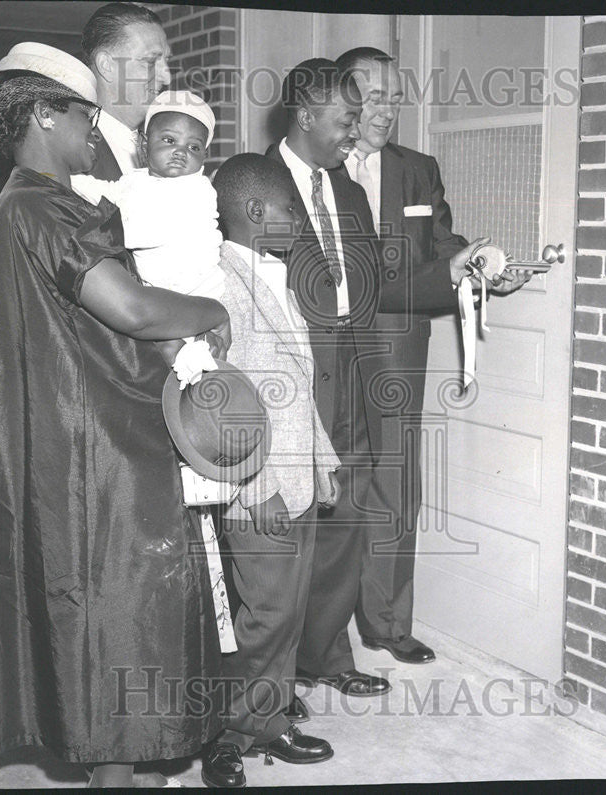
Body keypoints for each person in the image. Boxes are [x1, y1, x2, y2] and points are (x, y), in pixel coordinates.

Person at [0, 43, 230, 789]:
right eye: (86, 118)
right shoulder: (39, 204)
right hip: (93, 447)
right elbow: (130, 308)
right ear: (45, 113)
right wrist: (211, 307)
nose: (96, 134)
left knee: (115, 622)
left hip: (91, 428)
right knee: (117, 618)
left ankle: (124, 771)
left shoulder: (29, 201)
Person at [264, 59, 481, 713]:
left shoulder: (382, 182)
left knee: (365, 508)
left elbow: (406, 268)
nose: (372, 119)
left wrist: (462, 271)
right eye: (360, 106)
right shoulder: (269, 177)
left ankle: (354, 639)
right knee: (292, 518)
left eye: (386, 104)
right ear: (321, 108)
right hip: (305, 372)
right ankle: (276, 669)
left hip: (375, 365)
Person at [333, 47, 533, 666]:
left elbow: (441, 247)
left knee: (394, 479)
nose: (386, 108)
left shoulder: (418, 168)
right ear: (341, 98)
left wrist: (482, 271)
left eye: (395, 96)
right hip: (328, 344)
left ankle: (389, 624)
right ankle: (319, 638)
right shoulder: (310, 162)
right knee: (328, 481)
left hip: (397, 340)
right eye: (372, 95)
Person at [202, 153, 341, 787]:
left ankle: (270, 715)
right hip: (258, 486)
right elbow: (219, 395)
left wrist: (323, 459)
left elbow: (297, 384)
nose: (299, 218)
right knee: (261, 614)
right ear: (256, 211)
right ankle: (227, 736)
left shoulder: (273, 275)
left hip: (298, 477)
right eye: (291, 207)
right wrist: (255, 485)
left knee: (285, 609)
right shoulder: (220, 282)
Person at [72, 89, 224, 300]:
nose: (182, 152)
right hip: (158, 292)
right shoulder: (136, 180)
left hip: (198, 292)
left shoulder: (198, 190)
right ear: (144, 145)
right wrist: (69, 180)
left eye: (194, 147)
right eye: (170, 140)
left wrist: (100, 232)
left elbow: (151, 229)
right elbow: (106, 191)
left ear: (204, 156)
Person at [81, 1, 172, 179]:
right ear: (106, 66)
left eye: (167, 60)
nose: (167, 77)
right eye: (150, 62)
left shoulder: (163, 149)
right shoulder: (71, 154)